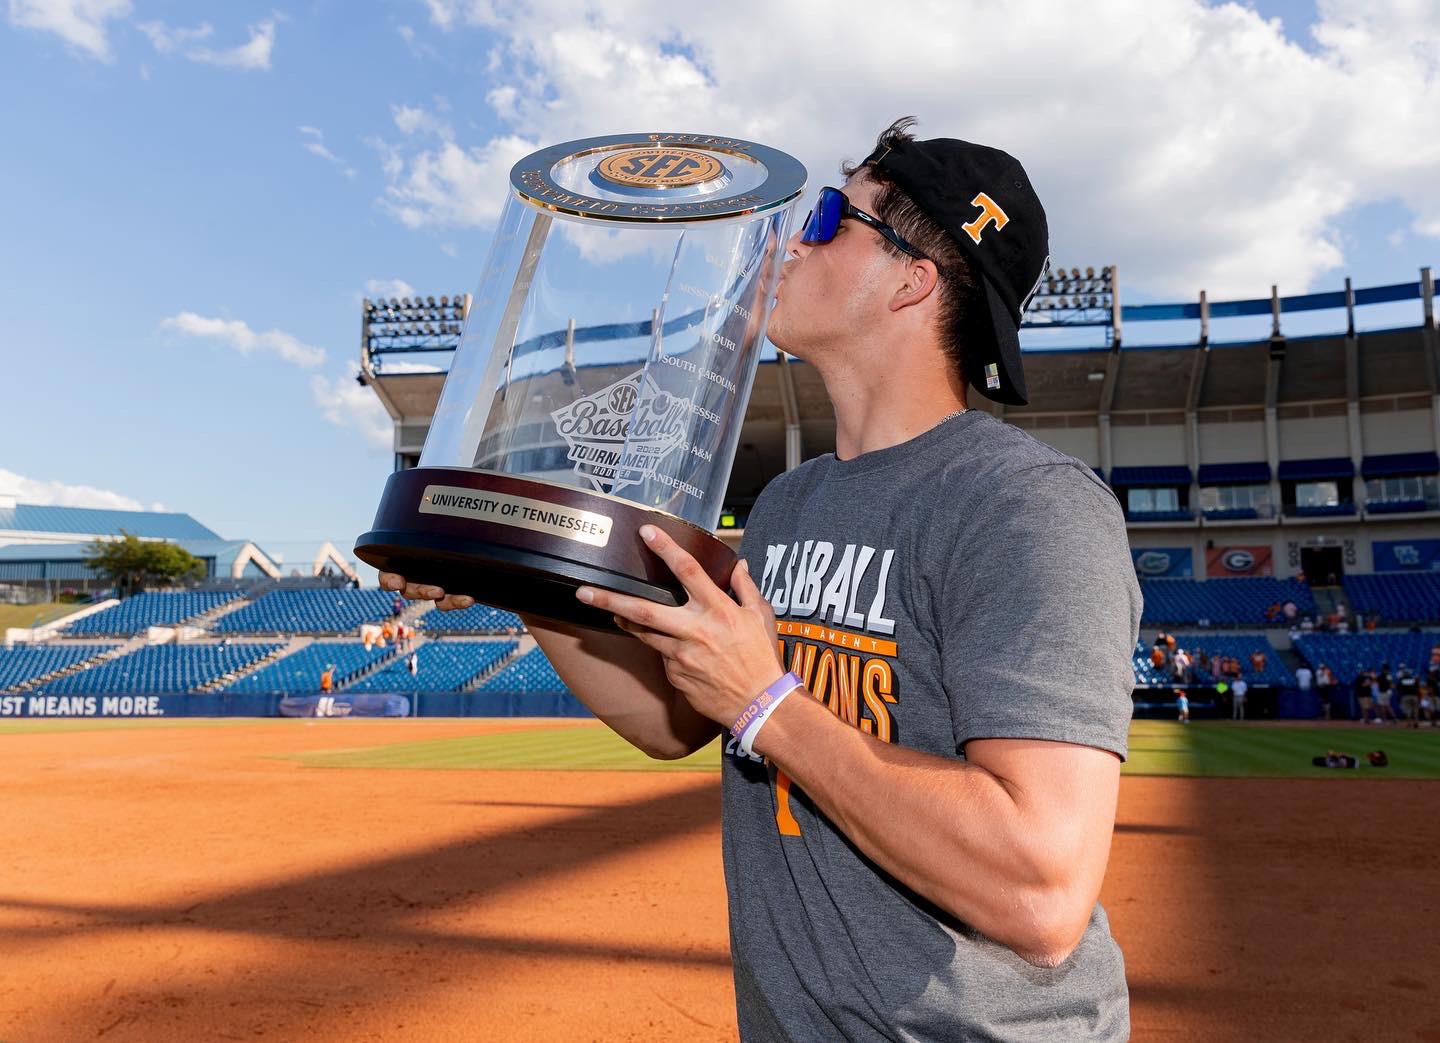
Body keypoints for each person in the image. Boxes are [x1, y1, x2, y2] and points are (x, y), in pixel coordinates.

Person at [382, 120, 1140, 1038]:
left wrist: (768, 704)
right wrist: (509, 575)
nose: (790, 236)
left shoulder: (1027, 509)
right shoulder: (787, 504)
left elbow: (1040, 890)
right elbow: (674, 721)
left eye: (830, 216)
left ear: (913, 280)